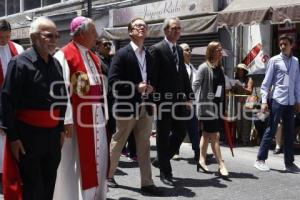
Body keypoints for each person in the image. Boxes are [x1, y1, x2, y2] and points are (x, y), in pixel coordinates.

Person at [1, 17, 67, 200]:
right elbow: (7, 101)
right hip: (28, 136)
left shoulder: (56, 64)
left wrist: (61, 128)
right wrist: (13, 138)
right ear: (34, 37)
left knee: (49, 183)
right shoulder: (19, 63)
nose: (55, 39)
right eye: (49, 35)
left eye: (57, 35)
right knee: (32, 187)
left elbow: (62, 98)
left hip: (53, 136)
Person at [53, 16, 109, 199]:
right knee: (76, 160)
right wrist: (66, 119)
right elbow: (61, 90)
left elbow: (100, 89)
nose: (96, 36)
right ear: (82, 33)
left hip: (96, 116)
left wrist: (104, 112)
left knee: (98, 157)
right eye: (93, 31)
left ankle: (95, 194)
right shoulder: (64, 55)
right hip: (77, 118)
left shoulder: (94, 56)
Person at [108, 17, 162, 196]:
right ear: (130, 32)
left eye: (144, 26)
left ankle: (147, 183)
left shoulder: (149, 55)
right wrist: (134, 87)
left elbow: (153, 78)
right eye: (138, 26)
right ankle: (108, 176)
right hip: (126, 106)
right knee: (118, 142)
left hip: (145, 106)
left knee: (144, 146)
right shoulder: (121, 54)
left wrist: (152, 87)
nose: (142, 28)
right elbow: (113, 82)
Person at [149, 17, 193, 186]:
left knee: (181, 132)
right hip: (163, 102)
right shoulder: (156, 49)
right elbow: (152, 78)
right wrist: (153, 102)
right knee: (162, 136)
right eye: (174, 28)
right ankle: (165, 172)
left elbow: (182, 75)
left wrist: (188, 96)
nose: (177, 31)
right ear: (166, 30)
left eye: (179, 29)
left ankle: (161, 159)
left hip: (179, 101)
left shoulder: (179, 51)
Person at [254, 34, 300, 173]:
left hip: (290, 101)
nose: (282, 46)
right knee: (271, 129)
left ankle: (289, 163)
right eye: (281, 44)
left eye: (285, 44)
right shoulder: (274, 60)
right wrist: (263, 101)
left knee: (289, 132)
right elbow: (266, 83)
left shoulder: (296, 61)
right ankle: (260, 159)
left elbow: (297, 82)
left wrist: (298, 99)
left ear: (292, 45)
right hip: (277, 100)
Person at [193, 41, 229, 177]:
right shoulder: (203, 67)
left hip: (217, 107)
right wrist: (193, 101)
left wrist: (223, 107)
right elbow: (195, 86)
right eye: (218, 50)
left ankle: (201, 161)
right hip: (206, 108)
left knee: (206, 135)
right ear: (211, 52)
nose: (221, 52)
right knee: (215, 136)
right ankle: (221, 164)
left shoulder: (221, 68)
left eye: (221, 49)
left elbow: (222, 90)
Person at [0, 19, 24, 188]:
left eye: (7, 36)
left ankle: (13, 173)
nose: (4, 40)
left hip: (15, 103)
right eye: (1, 37)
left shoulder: (18, 49)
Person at [172, 43, 200, 161]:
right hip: (180, 104)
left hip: (191, 104)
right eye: (187, 50)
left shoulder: (193, 68)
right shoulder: (177, 67)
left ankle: (197, 152)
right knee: (178, 129)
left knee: (193, 129)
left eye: (190, 49)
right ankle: (174, 151)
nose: (190, 52)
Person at [233, 63, 254, 146]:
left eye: (241, 70)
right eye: (238, 70)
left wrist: (242, 87)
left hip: (246, 102)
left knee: (246, 121)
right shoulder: (235, 79)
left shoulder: (249, 79)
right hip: (237, 101)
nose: (239, 71)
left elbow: (250, 91)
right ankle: (239, 138)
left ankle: (245, 140)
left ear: (244, 71)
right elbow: (233, 91)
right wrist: (232, 87)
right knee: (238, 121)